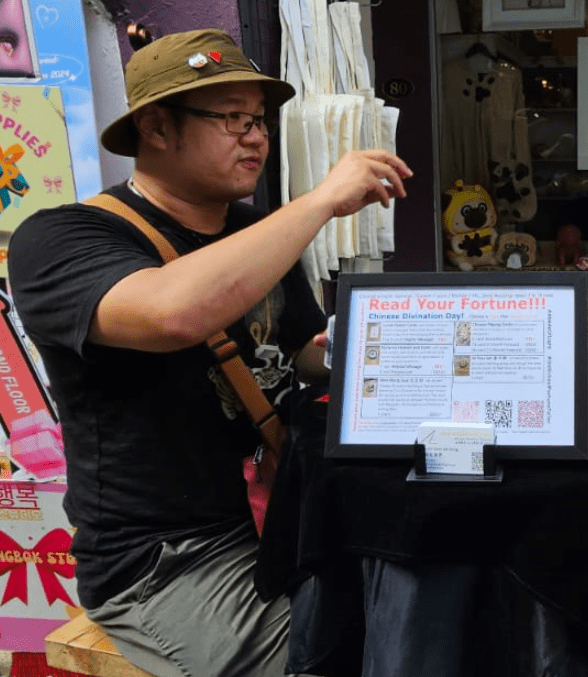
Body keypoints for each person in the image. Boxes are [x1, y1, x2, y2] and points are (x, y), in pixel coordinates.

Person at [7, 28, 412, 677]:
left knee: (435, 605)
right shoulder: (62, 236)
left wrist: (368, 349)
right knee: (345, 655)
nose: (256, 137)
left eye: (260, 120)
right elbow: (173, 313)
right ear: (157, 127)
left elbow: (297, 357)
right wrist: (318, 202)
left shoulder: (254, 231)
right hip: (167, 560)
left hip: (285, 510)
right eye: (232, 118)